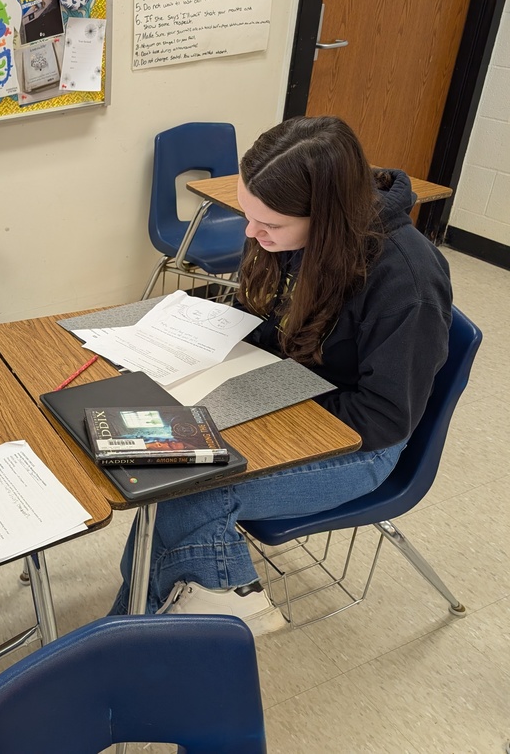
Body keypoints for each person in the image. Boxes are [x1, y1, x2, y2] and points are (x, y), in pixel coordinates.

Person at [111, 116, 453, 633]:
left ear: (327, 219)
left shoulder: (407, 280)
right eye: (249, 215)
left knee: (192, 491)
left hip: (357, 444)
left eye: (268, 225)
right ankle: (149, 619)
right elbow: (265, 324)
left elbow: (385, 418)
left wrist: (265, 411)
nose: (250, 234)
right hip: (284, 394)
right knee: (160, 469)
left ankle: (161, 627)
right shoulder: (281, 231)